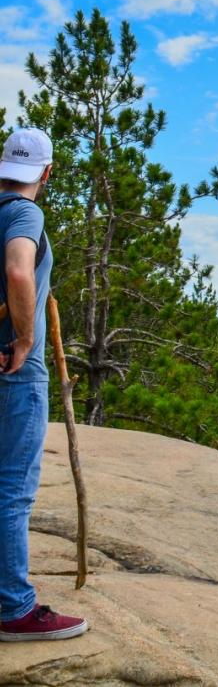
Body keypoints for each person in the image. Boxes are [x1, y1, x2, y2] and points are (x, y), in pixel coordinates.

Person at [0, 128, 87, 641]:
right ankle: (13, 608)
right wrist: (27, 338)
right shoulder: (24, 213)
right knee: (12, 489)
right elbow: (17, 271)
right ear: (47, 173)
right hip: (15, 370)